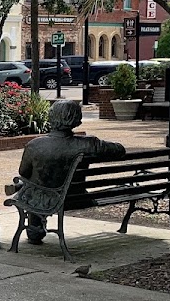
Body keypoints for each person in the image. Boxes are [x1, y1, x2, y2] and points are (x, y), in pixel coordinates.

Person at [12, 100, 125, 244]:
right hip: (77, 197)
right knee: (38, 189)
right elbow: (120, 150)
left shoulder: (35, 145)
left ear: (52, 117)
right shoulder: (89, 143)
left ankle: (35, 231)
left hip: (46, 200)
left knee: (33, 188)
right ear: (77, 119)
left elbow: (23, 172)